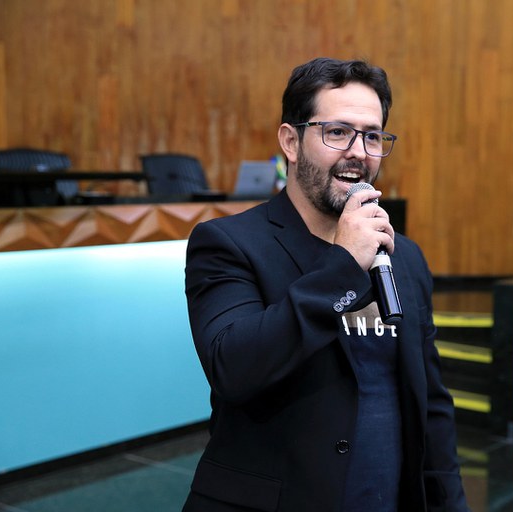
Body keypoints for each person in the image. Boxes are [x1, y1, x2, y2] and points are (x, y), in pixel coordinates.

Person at [182, 57, 469, 512]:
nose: (359, 151)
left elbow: (430, 405)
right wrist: (344, 266)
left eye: (372, 136)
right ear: (290, 142)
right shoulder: (228, 244)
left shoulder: (405, 257)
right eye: (337, 132)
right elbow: (233, 368)